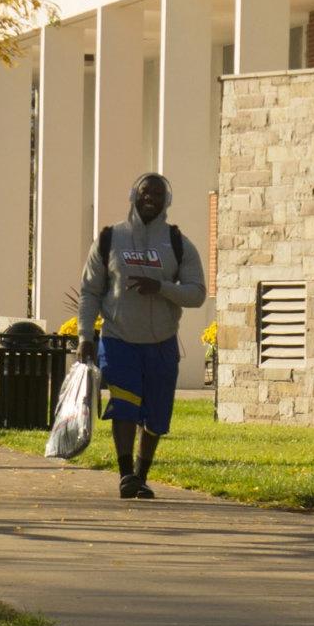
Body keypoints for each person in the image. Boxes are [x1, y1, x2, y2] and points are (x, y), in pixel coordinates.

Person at [77, 172, 205, 500]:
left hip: (161, 343)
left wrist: (161, 288)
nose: (150, 199)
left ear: (166, 202)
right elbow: (90, 291)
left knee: (156, 415)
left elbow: (197, 294)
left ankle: (141, 474)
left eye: (157, 195)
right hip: (118, 340)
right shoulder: (110, 238)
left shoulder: (177, 242)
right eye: (145, 193)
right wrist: (85, 336)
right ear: (134, 196)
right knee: (124, 407)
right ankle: (125, 476)